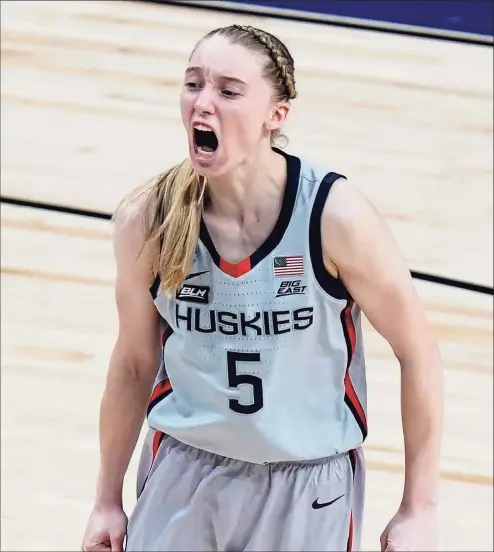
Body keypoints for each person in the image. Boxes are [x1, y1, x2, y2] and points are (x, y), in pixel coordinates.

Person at [81, 24, 443, 552]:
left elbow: (419, 351)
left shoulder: (333, 216)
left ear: (277, 115)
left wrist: (419, 508)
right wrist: (106, 500)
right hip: (183, 471)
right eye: (193, 84)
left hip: (307, 488)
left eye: (228, 91)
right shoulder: (148, 218)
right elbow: (134, 363)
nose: (204, 103)